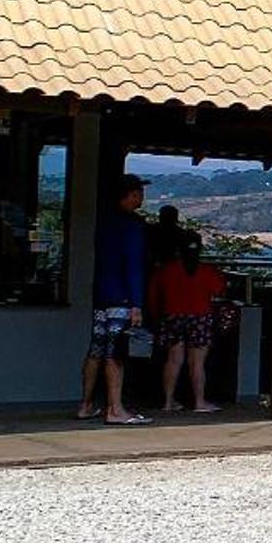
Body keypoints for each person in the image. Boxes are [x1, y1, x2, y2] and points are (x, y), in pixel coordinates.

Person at [80, 173, 151, 424]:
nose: (142, 197)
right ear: (131, 194)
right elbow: (134, 265)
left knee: (96, 350)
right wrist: (137, 303)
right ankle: (115, 409)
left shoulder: (104, 221)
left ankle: (86, 405)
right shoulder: (132, 225)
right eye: (139, 193)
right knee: (116, 353)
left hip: (102, 294)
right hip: (121, 296)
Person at [147, 232, 231, 413]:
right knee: (197, 362)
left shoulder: (166, 270)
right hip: (200, 316)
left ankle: (168, 401)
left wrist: (155, 317)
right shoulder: (207, 271)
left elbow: (154, 296)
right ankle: (199, 402)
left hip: (172, 316)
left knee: (173, 360)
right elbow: (219, 290)